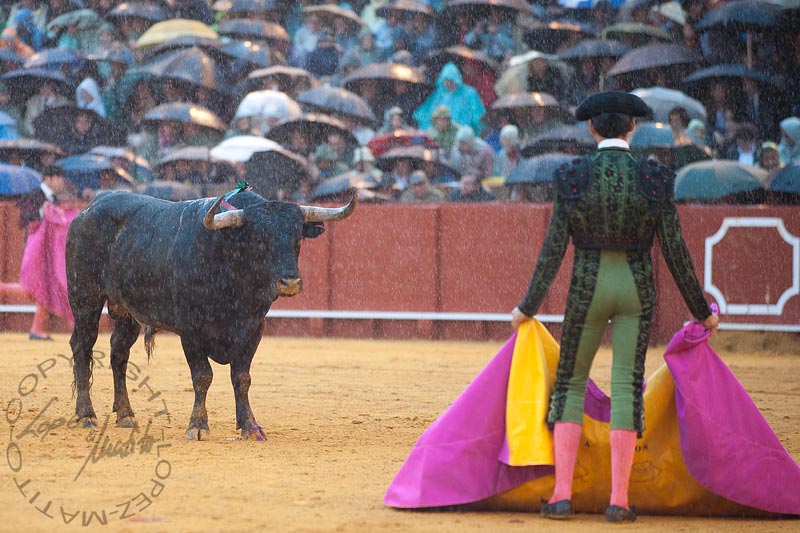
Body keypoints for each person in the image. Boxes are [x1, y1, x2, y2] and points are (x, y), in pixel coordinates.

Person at [510, 91, 720, 523]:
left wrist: (527, 307)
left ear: (591, 128)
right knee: (627, 385)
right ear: (633, 127)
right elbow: (676, 251)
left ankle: (563, 495)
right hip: (636, 288)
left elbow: (552, 251)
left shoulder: (572, 176)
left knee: (569, 383)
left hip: (588, 284)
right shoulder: (655, 178)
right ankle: (619, 501)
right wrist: (701, 311)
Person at [16, 165, 77, 340]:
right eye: (58, 178)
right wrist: (42, 211)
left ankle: (37, 329)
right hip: (35, 250)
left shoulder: (53, 199)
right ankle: (38, 329)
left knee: (45, 285)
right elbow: (23, 220)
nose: (61, 183)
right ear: (48, 179)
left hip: (48, 251)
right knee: (40, 285)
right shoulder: (35, 195)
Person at [413, 62, 486, 136]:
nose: (449, 83)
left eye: (451, 80)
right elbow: (426, 113)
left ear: (457, 79)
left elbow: (478, 115)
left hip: (463, 135)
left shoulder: (470, 93)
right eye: (446, 80)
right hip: (439, 135)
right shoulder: (439, 94)